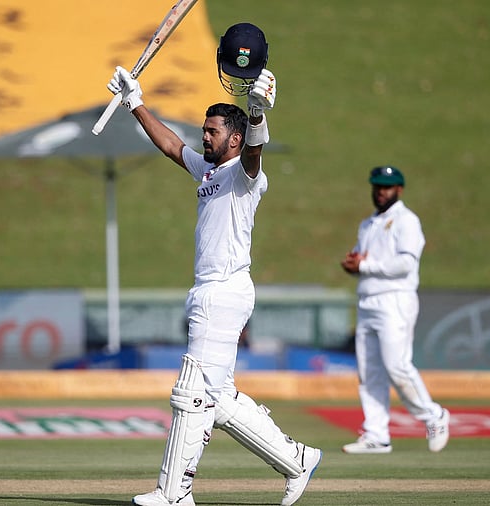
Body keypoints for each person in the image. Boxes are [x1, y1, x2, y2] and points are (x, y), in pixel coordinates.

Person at [106, 22, 321, 506]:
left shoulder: (247, 177)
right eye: (204, 129)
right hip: (208, 289)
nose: (204, 137)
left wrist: (259, 113)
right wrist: (134, 100)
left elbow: (256, 154)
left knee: (191, 392)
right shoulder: (208, 170)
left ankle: (174, 492)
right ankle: (298, 458)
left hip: (225, 292)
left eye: (212, 131)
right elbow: (168, 145)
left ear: (236, 138)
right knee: (218, 399)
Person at [339, 165, 450, 454]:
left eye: (386, 187)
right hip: (367, 301)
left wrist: (364, 265)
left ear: (399, 189)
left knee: (397, 366)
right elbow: (364, 260)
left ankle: (433, 415)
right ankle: (377, 435)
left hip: (395, 300)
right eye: (376, 186)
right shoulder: (368, 224)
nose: (380, 192)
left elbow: (405, 264)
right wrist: (354, 265)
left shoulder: (406, 221)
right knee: (369, 371)